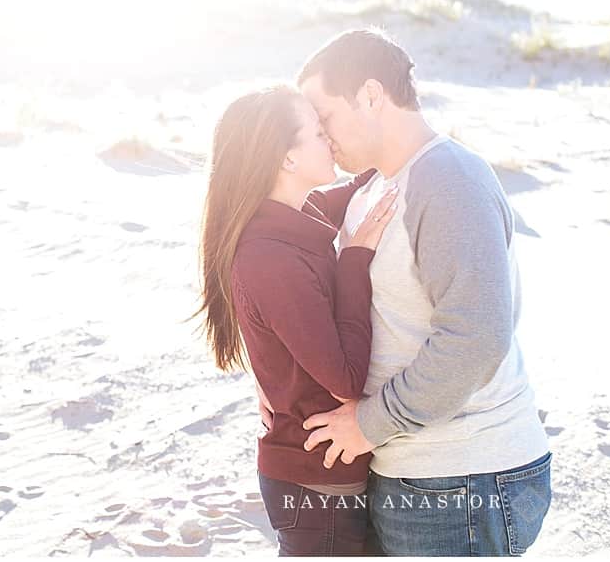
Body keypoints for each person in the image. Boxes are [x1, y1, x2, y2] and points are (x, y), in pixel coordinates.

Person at [290, 28, 552, 556]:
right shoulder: (378, 184)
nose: (322, 134)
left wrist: (367, 425)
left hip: (464, 482)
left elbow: (474, 340)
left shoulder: (448, 180)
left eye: (326, 116)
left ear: (370, 95)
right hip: (418, 472)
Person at [195, 85, 399, 555]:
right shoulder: (270, 257)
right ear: (286, 158)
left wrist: (392, 139)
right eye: (315, 131)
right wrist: (354, 258)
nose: (328, 137)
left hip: (325, 477)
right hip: (314, 486)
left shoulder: (296, 215)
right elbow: (346, 381)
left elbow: (354, 187)